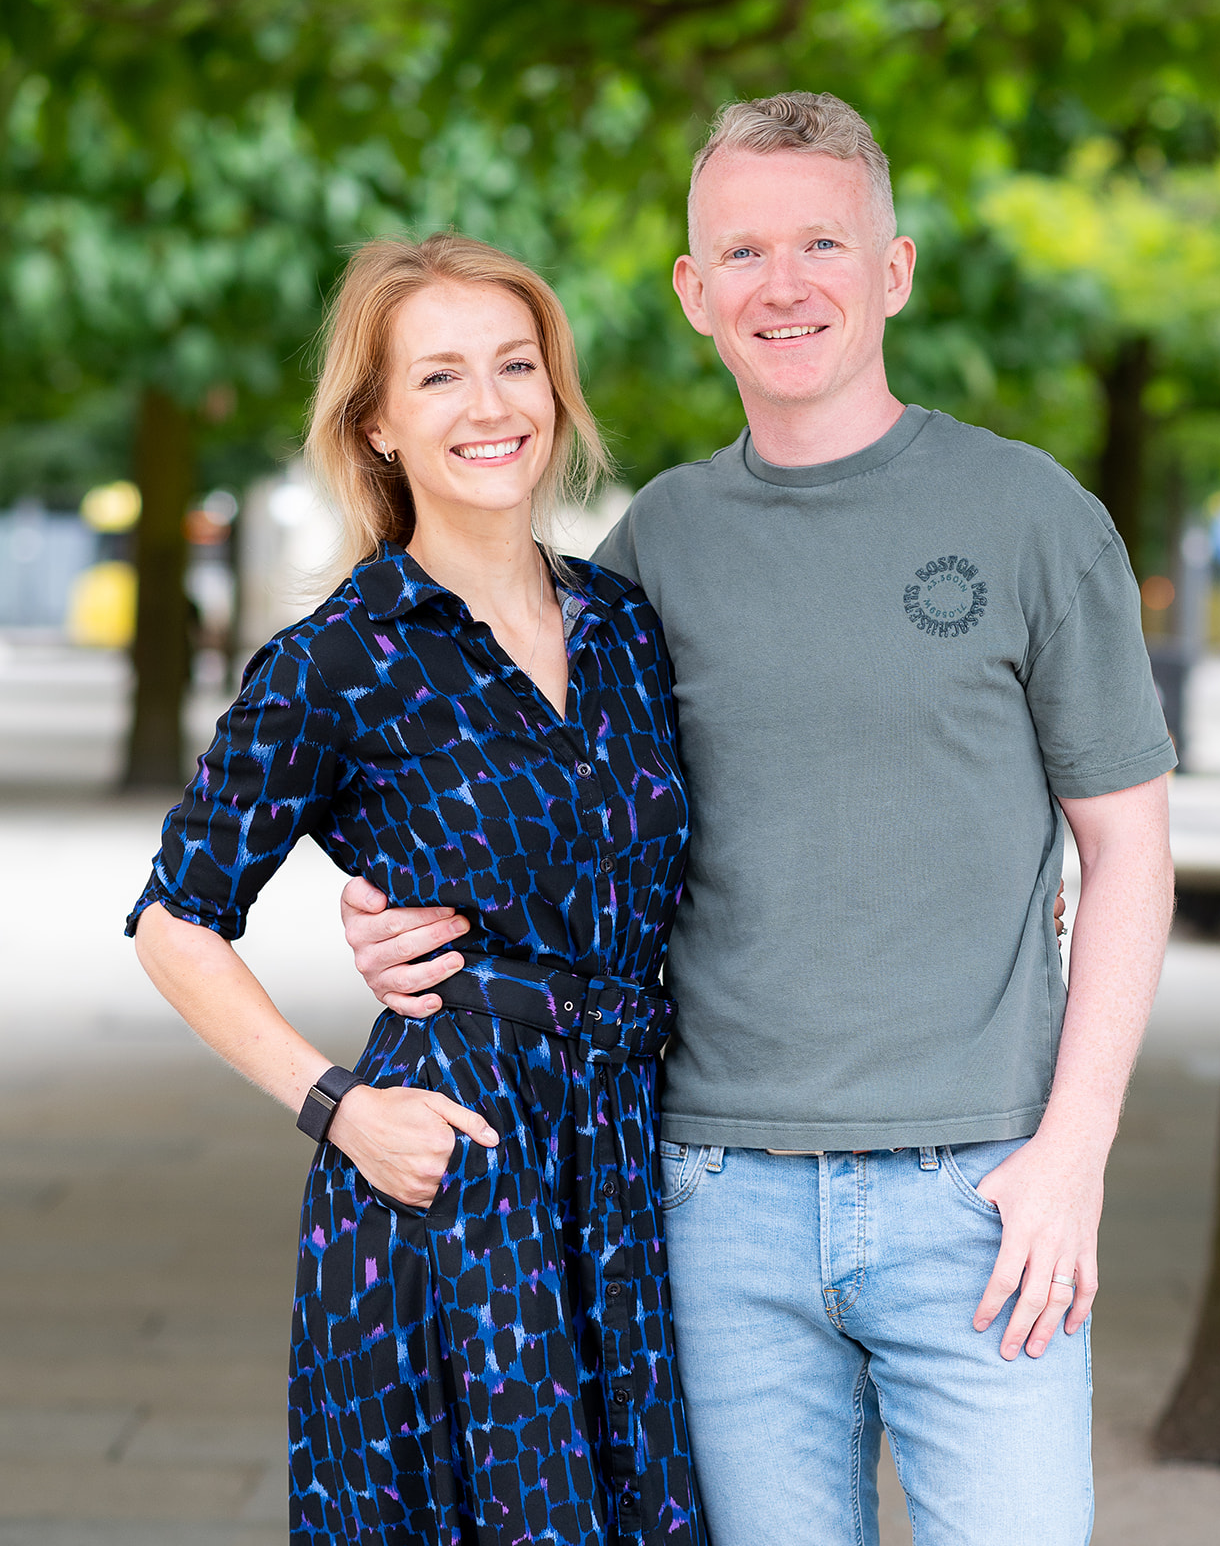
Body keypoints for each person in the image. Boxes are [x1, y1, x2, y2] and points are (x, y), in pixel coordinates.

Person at [341, 93, 1177, 1546]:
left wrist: (1074, 1154)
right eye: (742, 252)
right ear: (694, 292)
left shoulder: (1033, 519)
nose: (782, 285)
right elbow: (549, 805)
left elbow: (1129, 850)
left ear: (894, 270)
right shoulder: (652, 548)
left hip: (985, 1190)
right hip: (715, 1201)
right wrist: (397, 906)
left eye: (820, 244)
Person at [127, 232, 706, 1546]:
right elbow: (174, 923)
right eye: (440, 378)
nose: (491, 405)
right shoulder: (343, 659)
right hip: (458, 1177)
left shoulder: (624, 628)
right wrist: (338, 1107)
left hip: (627, 1161)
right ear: (380, 422)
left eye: (518, 365)